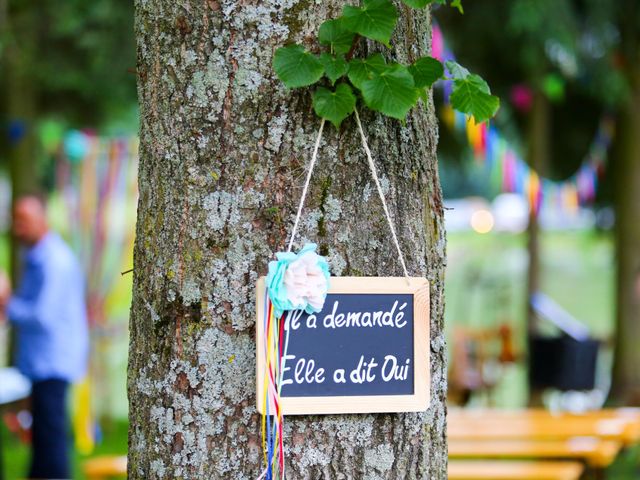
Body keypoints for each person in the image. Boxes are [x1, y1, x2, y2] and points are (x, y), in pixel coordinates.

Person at [0, 194, 89, 480]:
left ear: (42, 220)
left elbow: (43, 315)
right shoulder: (37, 256)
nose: (18, 228)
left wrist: (6, 303)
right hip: (40, 361)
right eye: (17, 221)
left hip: (53, 361)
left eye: (24, 221)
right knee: (41, 437)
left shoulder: (55, 261)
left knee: (51, 439)